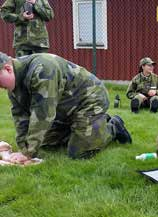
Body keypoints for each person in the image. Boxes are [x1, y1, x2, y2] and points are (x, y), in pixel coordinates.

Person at [0, 52, 132, 163]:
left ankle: (113, 126)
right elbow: (20, 116)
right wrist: (23, 148)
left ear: (8, 68)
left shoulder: (43, 69)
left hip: (89, 101)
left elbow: (43, 113)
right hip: (65, 107)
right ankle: (89, 127)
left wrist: (28, 153)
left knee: (79, 153)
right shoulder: (13, 83)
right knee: (47, 143)